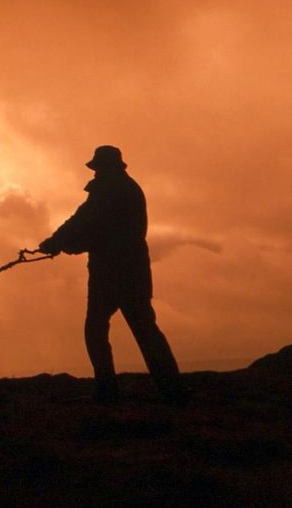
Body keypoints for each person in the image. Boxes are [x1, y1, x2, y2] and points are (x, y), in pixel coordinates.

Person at [39, 146, 187, 403]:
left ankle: (107, 389)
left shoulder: (108, 191)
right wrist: (66, 243)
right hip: (133, 270)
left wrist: (58, 241)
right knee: (144, 328)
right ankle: (172, 389)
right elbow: (99, 228)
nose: (95, 173)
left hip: (110, 271)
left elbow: (85, 221)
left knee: (97, 328)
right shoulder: (128, 189)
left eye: (97, 168)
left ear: (106, 167)